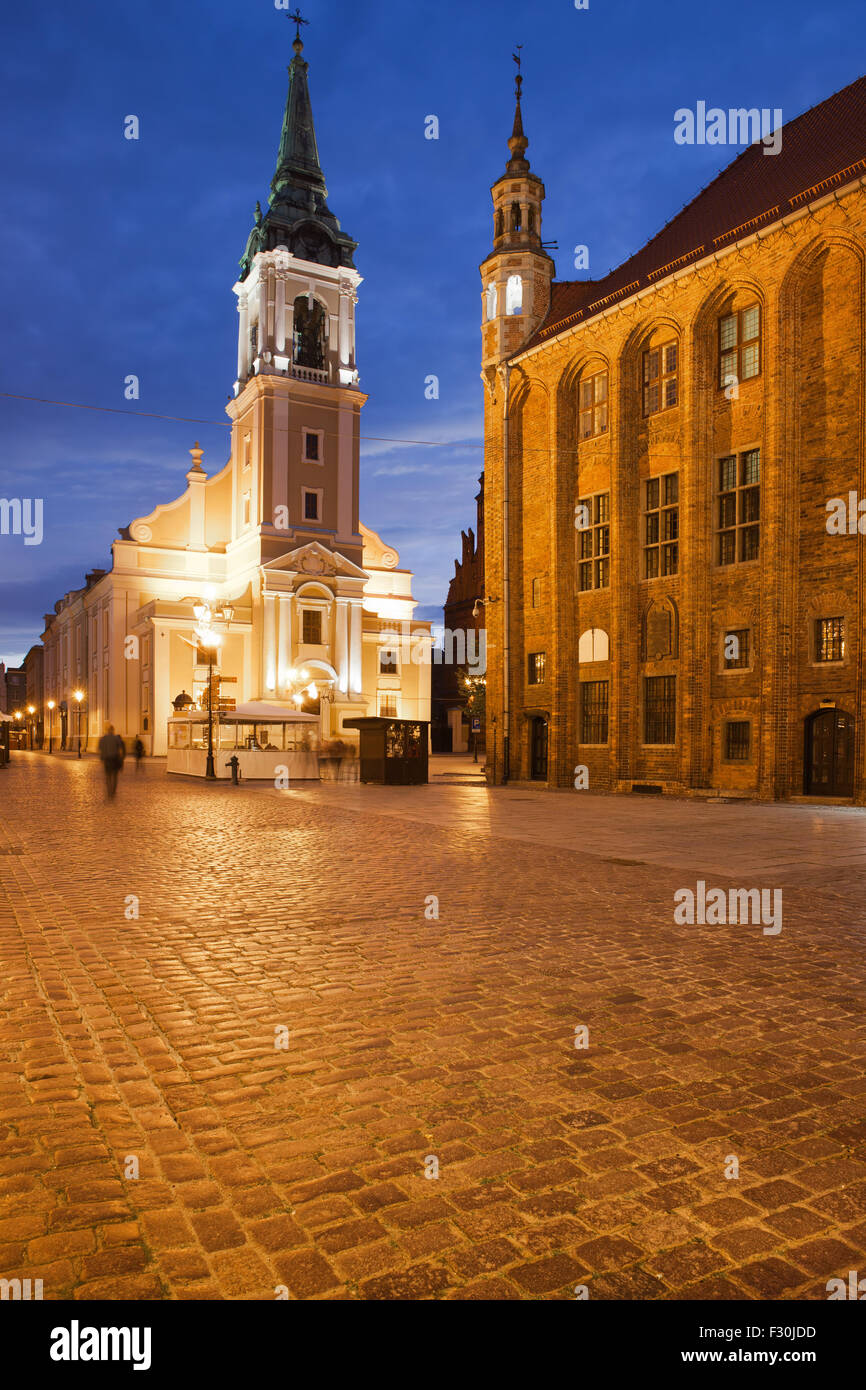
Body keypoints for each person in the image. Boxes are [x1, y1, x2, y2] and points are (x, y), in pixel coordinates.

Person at [98, 724, 126, 799]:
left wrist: (102, 757)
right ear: (113, 730)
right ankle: (113, 791)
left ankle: (109, 791)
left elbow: (100, 748)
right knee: (114, 776)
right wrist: (121, 758)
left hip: (106, 759)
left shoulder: (103, 739)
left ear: (107, 730)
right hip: (114, 759)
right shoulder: (116, 738)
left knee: (108, 776)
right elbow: (120, 748)